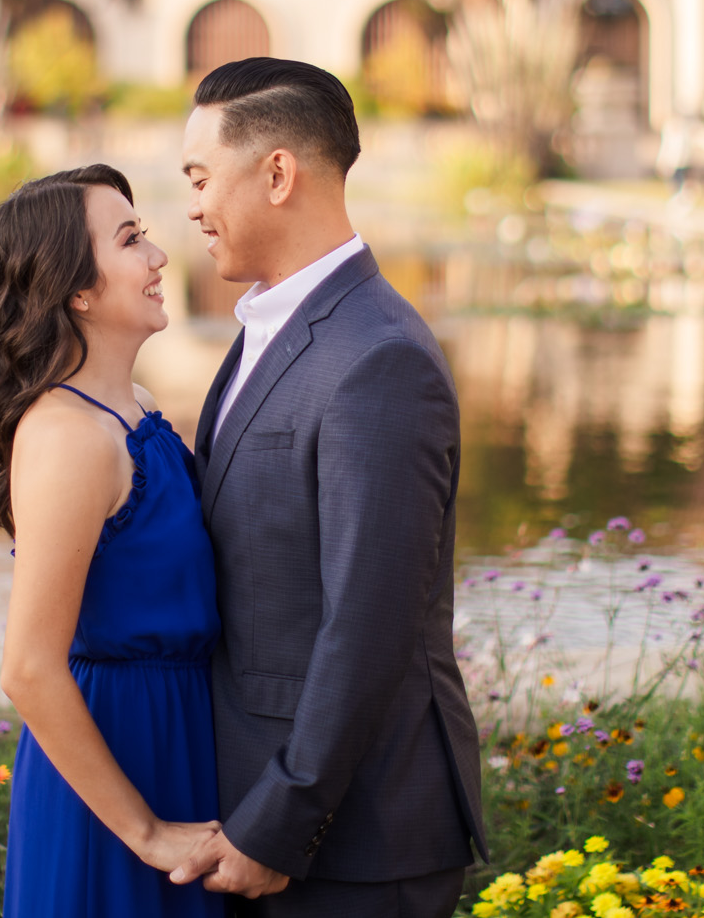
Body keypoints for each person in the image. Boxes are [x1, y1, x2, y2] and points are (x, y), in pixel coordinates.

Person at [168, 59, 486, 916]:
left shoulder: (378, 357)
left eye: (201, 178)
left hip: (354, 841)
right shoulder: (268, 329)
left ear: (278, 173)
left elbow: (370, 622)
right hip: (260, 813)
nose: (191, 207)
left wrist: (280, 824)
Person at [0, 164, 225, 917]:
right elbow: (28, 666)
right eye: (131, 239)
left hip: (178, 742)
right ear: (77, 288)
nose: (158, 256)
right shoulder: (67, 435)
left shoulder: (135, 407)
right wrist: (145, 832)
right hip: (113, 776)